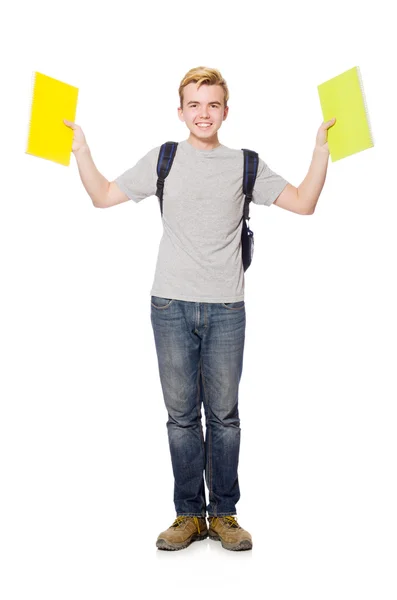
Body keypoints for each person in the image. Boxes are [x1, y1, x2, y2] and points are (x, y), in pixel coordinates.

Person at [64, 66, 335, 552]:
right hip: (169, 304)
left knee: (225, 415)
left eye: (212, 104)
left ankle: (225, 515)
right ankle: (189, 514)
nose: (203, 113)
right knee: (181, 416)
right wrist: (82, 151)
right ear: (181, 111)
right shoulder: (164, 159)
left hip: (227, 307)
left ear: (225, 111)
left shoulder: (246, 164)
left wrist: (319, 153)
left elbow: (305, 202)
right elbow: (103, 196)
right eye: (194, 104)